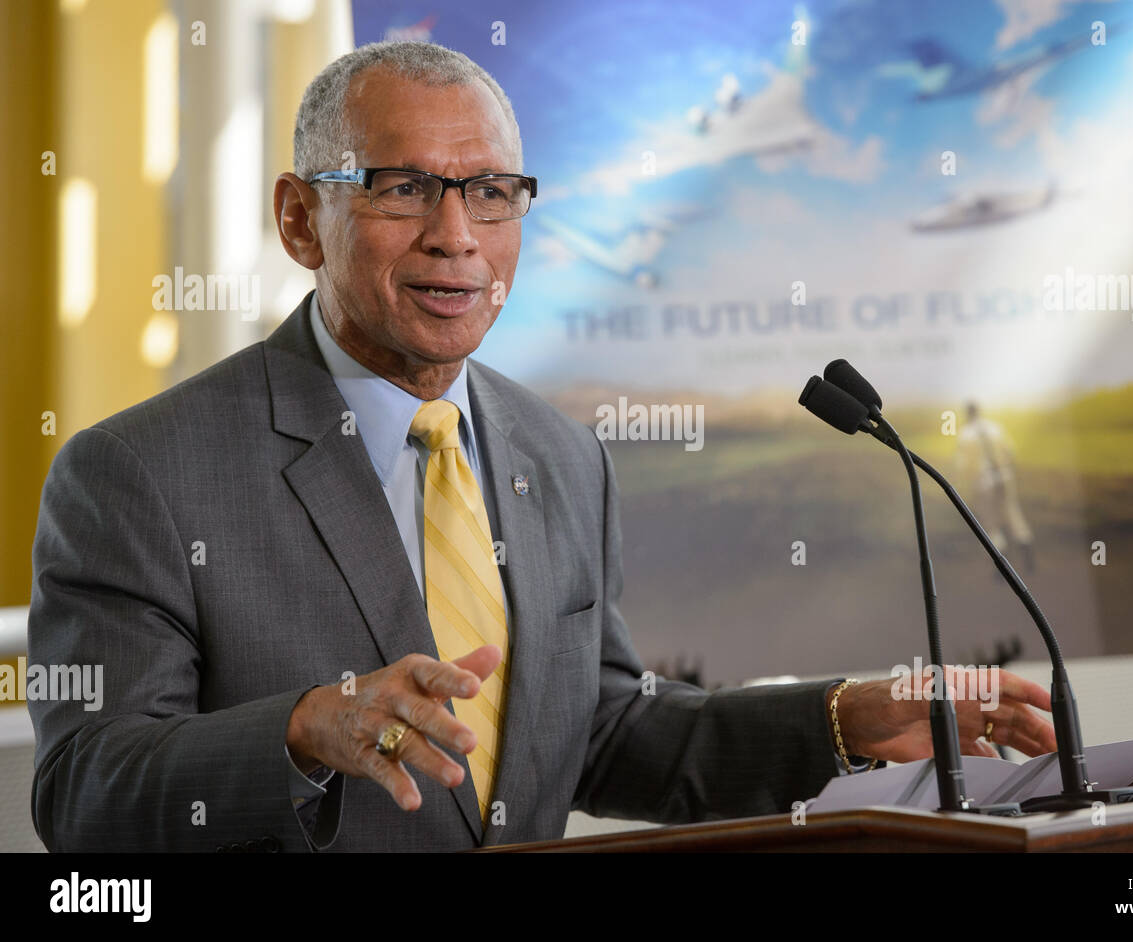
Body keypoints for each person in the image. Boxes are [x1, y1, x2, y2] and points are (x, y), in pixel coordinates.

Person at [27, 41, 1056, 852]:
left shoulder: (559, 455)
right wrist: (299, 731)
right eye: (402, 187)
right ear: (302, 220)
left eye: (491, 192)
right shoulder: (141, 474)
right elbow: (82, 796)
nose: (456, 235)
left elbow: (601, 735)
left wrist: (837, 721)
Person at [954, 401, 1036, 573]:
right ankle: (1026, 547)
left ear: (967, 414)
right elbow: (1010, 451)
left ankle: (1001, 559)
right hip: (1005, 475)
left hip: (984, 480)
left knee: (990, 521)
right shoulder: (995, 428)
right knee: (1012, 512)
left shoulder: (965, 434)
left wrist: (964, 484)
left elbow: (961, 466)